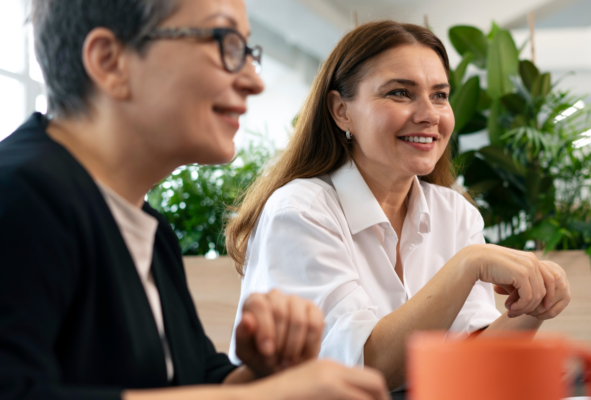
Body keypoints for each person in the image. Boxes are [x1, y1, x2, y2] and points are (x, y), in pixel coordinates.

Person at [0, 0, 388, 399]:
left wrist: (263, 371)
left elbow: (193, 380)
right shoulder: (14, 194)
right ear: (110, 61)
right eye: (225, 44)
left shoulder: (147, 227)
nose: (254, 80)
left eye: (248, 53)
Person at [226, 20, 572, 389]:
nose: (429, 114)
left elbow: (469, 365)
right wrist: (468, 265)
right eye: (400, 93)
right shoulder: (300, 212)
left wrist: (535, 306)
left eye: (440, 95)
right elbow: (364, 369)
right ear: (342, 111)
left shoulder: (454, 214)